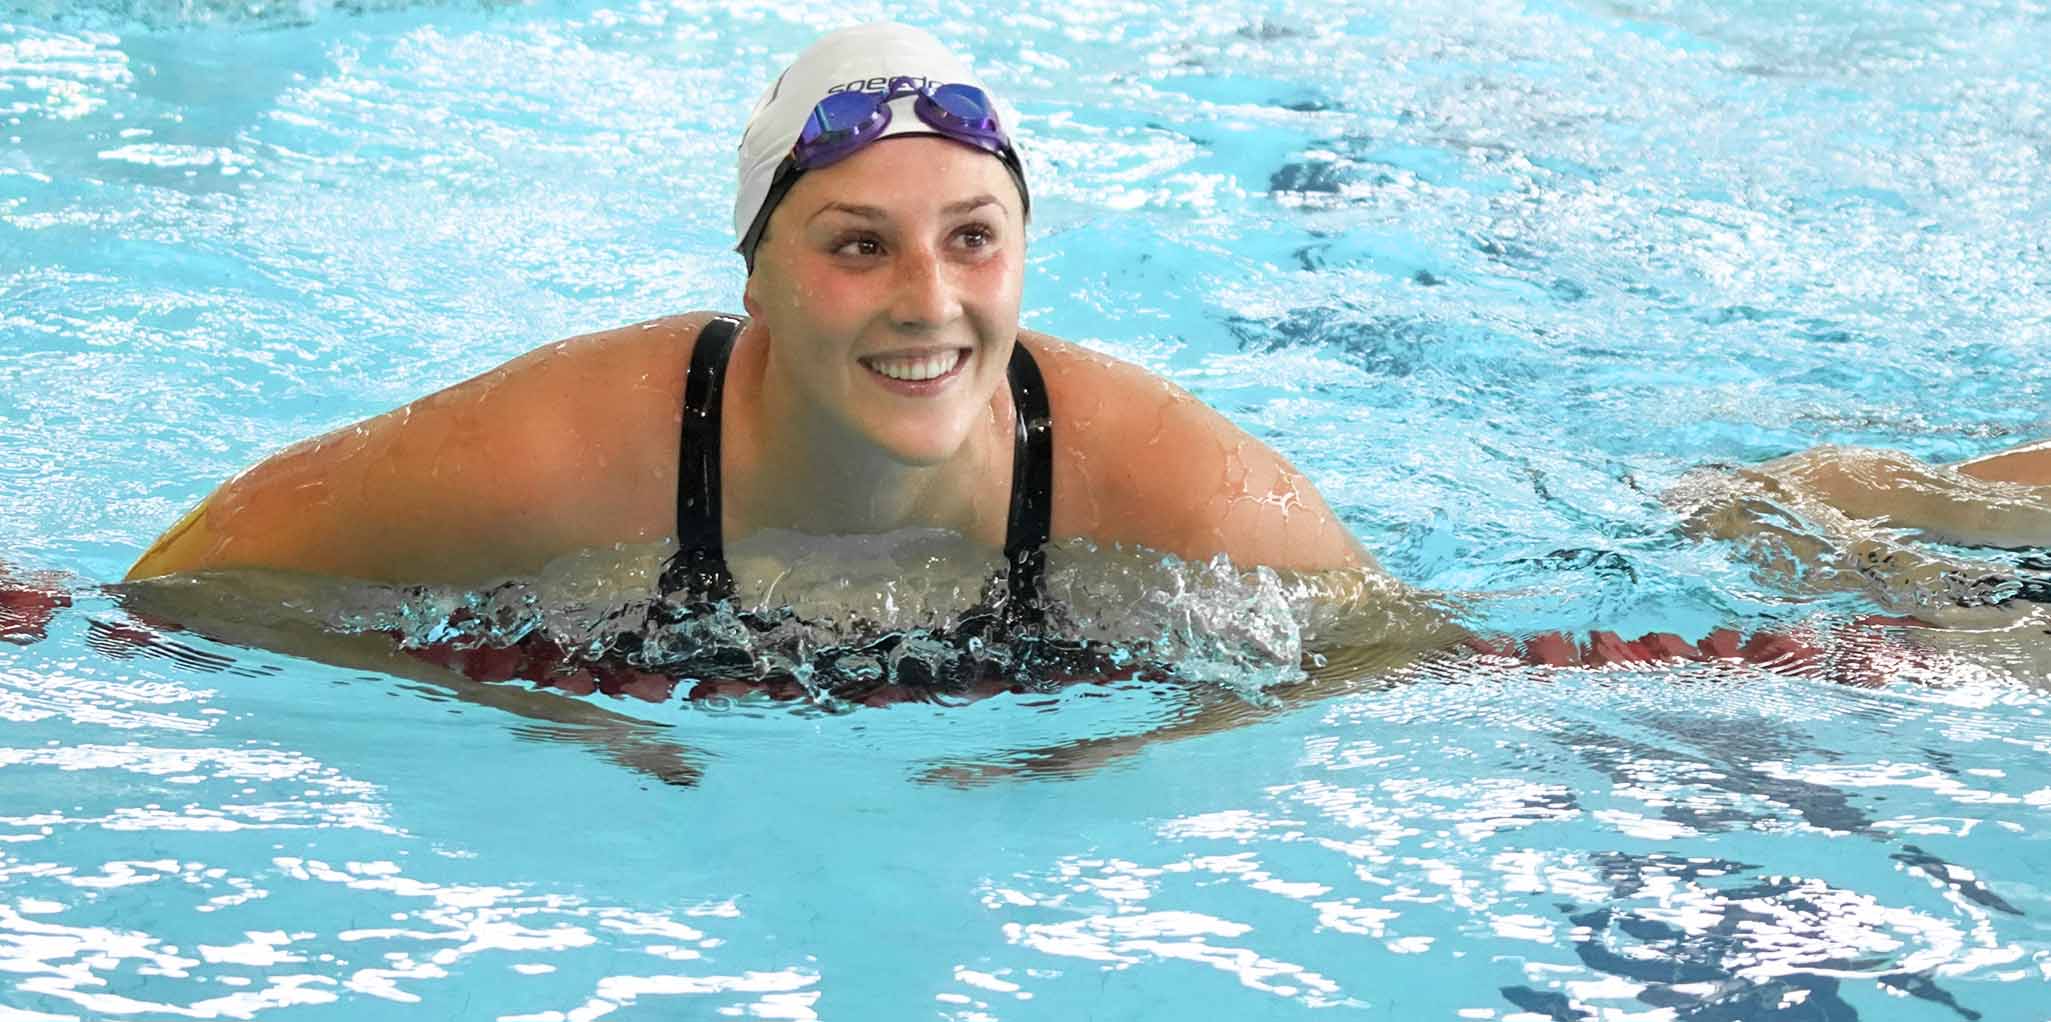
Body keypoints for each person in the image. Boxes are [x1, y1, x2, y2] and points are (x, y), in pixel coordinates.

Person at [121, 23, 1375, 640]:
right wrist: (501, 696)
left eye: (972, 237)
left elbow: (1392, 656)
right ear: (755, 281)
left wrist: (1119, 747)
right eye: (858, 244)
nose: (928, 299)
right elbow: (187, 584)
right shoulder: (569, 449)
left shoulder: (1159, 475)